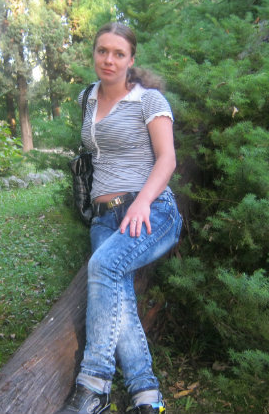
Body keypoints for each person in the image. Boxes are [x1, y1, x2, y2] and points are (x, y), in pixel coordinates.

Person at [57, 23, 183, 414]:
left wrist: (143, 202)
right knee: (119, 293)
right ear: (94, 53)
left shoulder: (149, 100)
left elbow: (167, 159)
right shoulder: (88, 98)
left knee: (104, 268)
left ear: (131, 59)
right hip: (104, 219)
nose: (108, 60)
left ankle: (94, 385)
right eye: (102, 51)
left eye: (118, 53)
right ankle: (148, 396)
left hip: (150, 210)